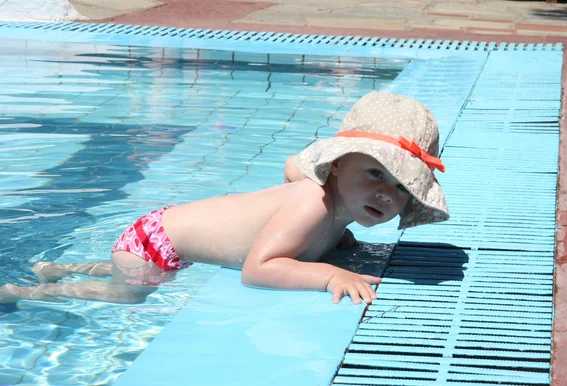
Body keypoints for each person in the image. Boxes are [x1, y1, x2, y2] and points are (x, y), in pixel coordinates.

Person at [0, 92, 449, 305]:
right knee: (128, 295)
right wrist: (329, 275)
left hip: (161, 237)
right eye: (375, 173)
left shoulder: (340, 205)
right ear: (335, 166)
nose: (384, 195)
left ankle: (59, 267)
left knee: (151, 272)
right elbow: (257, 271)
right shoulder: (312, 205)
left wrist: (336, 240)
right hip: (153, 244)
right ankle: (28, 290)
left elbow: (294, 166)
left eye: (399, 187)